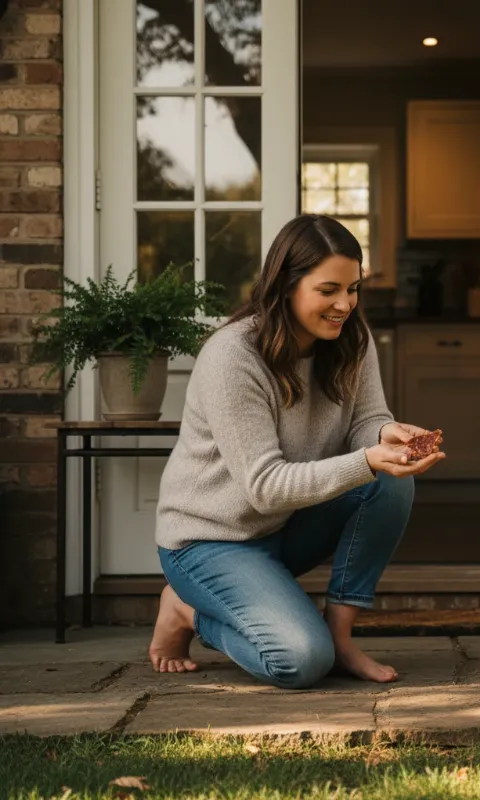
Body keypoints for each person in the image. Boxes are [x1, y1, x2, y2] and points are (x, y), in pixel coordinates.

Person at [148, 214, 445, 689]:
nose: (344, 305)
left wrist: (387, 435)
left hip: (284, 528)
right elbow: (264, 487)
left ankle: (341, 638)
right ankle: (186, 610)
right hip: (210, 541)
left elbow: (367, 421)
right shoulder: (234, 357)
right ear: (286, 284)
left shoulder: (353, 339)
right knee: (301, 661)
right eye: (328, 290)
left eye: (353, 289)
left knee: (393, 481)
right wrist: (368, 459)